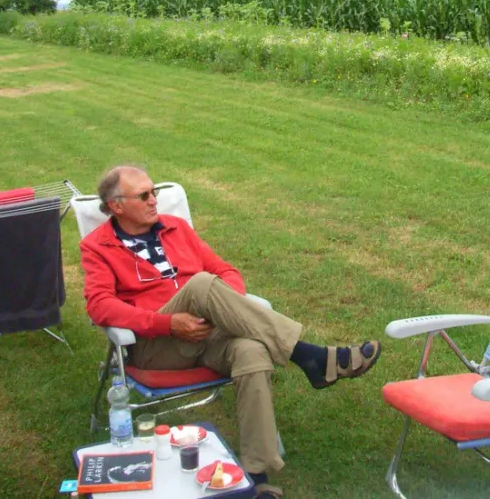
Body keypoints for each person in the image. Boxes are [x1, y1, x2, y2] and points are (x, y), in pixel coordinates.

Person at [80, 165, 381, 499]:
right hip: (158, 345)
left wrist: (224, 308)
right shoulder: (99, 246)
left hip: (208, 334)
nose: (154, 201)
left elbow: (226, 270)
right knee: (202, 284)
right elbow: (100, 306)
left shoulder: (176, 228)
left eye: (155, 192)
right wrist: (168, 323)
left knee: (250, 351)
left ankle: (256, 475)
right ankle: (311, 357)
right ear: (117, 206)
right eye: (144, 195)